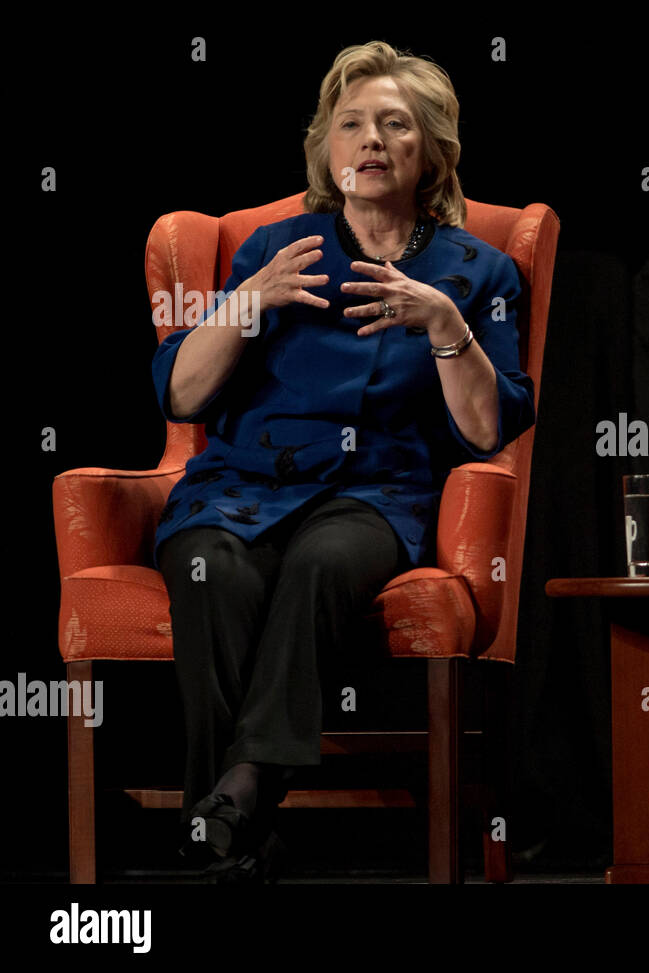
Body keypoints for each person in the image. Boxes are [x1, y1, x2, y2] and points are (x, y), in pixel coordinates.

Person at [152, 41, 535, 881]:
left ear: (431, 150)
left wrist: (445, 326)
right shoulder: (273, 248)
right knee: (210, 571)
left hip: (375, 493)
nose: (369, 140)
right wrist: (246, 301)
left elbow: (483, 431)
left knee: (322, 563)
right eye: (350, 124)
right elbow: (182, 395)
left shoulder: (478, 269)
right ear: (327, 147)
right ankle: (235, 824)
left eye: (394, 124)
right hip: (240, 487)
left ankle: (233, 798)